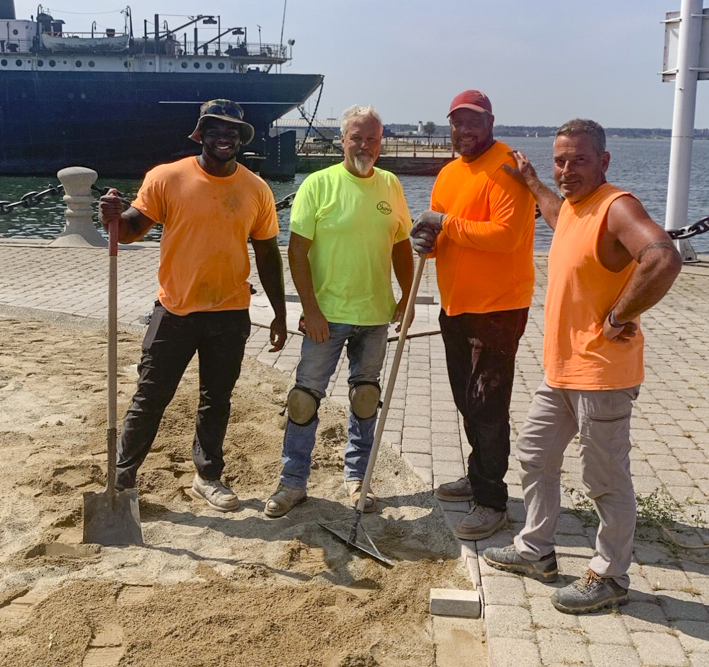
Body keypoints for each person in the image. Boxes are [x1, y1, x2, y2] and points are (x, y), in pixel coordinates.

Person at [480, 119, 683, 614]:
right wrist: (532, 182)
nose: (567, 170)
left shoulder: (617, 206)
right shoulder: (574, 206)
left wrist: (619, 315)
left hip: (602, 377)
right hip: (562, 372)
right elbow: (557, 215)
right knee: (534, 453)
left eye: (579, 160)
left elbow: (663, 258)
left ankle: (610, 576)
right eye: (560, 160)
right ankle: (536, 549)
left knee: (605, 479)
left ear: (604, 161)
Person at [98, 99, 288, 512]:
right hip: (175, 311)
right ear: (200, 134)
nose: (225, 137)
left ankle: (208, 476)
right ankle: (122, 478)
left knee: (216, 398)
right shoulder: (167, 177)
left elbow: (269, 254)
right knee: (150, 397)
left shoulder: (256, 189)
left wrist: (280, 312)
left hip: (230, 311)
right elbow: (131, 229)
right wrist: (111, 217)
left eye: (233, 132)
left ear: (241, 139)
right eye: (216, 130)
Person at [264, 105, 414, 518]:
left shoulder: (390, 186)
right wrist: (310, 310)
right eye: (357, 137)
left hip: (374, 314)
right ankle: (292, 483)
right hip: (325, 316)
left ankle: (357, 479)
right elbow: (296, 252)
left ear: (380, 143)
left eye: (373, 139)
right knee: (303, 400)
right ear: (343, 139)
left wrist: (408, 297)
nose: (364, 145)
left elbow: (402, 244)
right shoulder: (318, 184)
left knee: (366, 397)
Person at [409, 90, 535, 540]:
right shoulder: (447, 174)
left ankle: (491, 500)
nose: (465, 131)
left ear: (491, 122)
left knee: (487, 406)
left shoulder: (508, 169)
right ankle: (477, 473)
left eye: (474, 122)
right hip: (455, 306)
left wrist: (444, 225)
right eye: (458, 122)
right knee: (467, 399)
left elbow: (504, 236)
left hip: (498, 309)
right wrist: (427, 237)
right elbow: (441, 227)